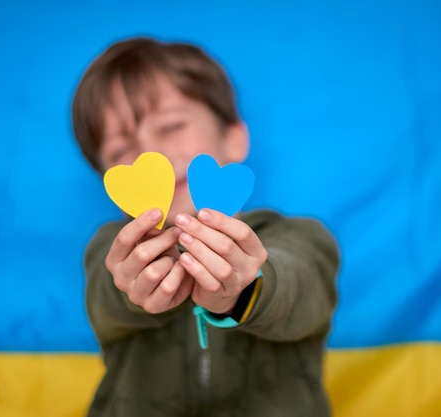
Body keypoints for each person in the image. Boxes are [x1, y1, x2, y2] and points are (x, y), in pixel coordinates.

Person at [71, 37, 340, 417]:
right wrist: (132, 286)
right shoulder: (107, 251)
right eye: (120, 150)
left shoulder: (300, 237)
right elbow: (104, 295)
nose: (152, 154)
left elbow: (303, 286)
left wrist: (247, 288)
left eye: (171, 126)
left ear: (234, 140)